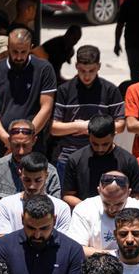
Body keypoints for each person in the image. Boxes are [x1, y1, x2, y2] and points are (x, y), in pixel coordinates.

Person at [50, 45, 126, 179]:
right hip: (69, 156)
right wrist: (81, 126)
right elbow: (54, 128)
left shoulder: (110, 90)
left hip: (102, 155)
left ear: (99, 66)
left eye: (91, 70)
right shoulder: (64, 90)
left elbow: (120, 126)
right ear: (76, 66)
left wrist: (90, 127)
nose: (87, 75)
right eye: (82, 70)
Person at [0, 28, 57, 153]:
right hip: (2, 143)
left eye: (23, 52)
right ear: (8, 47)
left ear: (31, 47)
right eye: (15, 51)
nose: (18, 57)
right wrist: (6, 139)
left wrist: (25, 138)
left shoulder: (44, 69)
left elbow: (46, 108)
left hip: (33, 144)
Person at [62, 115, 139, 208]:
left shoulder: (128, 161)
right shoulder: (75, 160)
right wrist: (90, 210)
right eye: (95, 144)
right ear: (88, 135)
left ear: (114, 135)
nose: (100, 148)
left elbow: (138, 195)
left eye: (105, 144)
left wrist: (118, 208)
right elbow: (68, 195)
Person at [68, 170, 139, 256]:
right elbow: (77, 249)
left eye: (119, 204)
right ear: (99, 191)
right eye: (106, 203)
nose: (112, 209)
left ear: (128, 193)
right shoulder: (84, 209)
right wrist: (118, 256)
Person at [0, 152, 72, 236]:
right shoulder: (6, 205)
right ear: (20, 174)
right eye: (27, 180)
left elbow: (62, 243)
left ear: (46, 176)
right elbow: (4, 241)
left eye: (38, 180)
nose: (32, 186)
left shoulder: (61, 208)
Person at [0, 118, 62, 203]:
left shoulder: (50, 171)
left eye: (25, 145)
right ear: (9, 141)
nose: (21, 151)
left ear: (34, 141)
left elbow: (56, 205)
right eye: (16, 145)